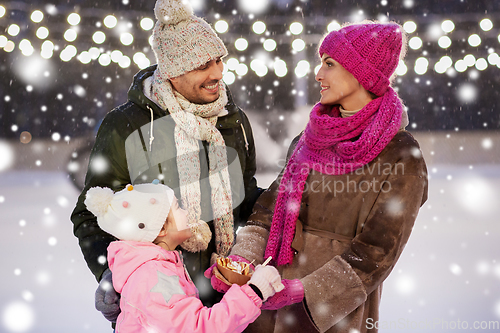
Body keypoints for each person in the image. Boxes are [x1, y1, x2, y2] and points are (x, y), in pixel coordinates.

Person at [206, 21, 428, 332]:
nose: (318, 74)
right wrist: (241, 261)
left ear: (361, 73)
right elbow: (268, 213)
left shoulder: (401, 155)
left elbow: (377, 251)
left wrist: (305, 292)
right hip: (263, 308)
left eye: (329, 64)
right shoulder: (310, 138)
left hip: (330, 318)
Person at [70, 0, 261, 325]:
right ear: (172, 71)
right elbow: (91, 215)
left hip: (227, 304)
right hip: (157, 304)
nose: (217, 73)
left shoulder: (232, 120)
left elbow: (244, 197)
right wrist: (108, 273)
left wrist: (291, 202)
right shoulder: (127, 126)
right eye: (203, 65)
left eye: (218, 60)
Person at [84, 182, 284, 333]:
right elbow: (199, 328)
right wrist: (255, 291)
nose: (187, 212)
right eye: (178, 208)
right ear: (161, 228)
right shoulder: (154, 277)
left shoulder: (157, 266)